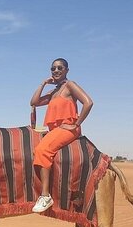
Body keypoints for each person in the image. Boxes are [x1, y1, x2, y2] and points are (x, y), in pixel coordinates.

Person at [30, 58, 93, 213]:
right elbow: (34, 102)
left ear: (66, 70)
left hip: (68, 128)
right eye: (53, 68)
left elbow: (88, 102)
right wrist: (43, 84)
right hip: (56, 130)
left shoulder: (70, 85)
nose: (56, 71)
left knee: (42, 150)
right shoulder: (53, 92)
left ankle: (45, 195)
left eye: (59, 68)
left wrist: (76, 124)